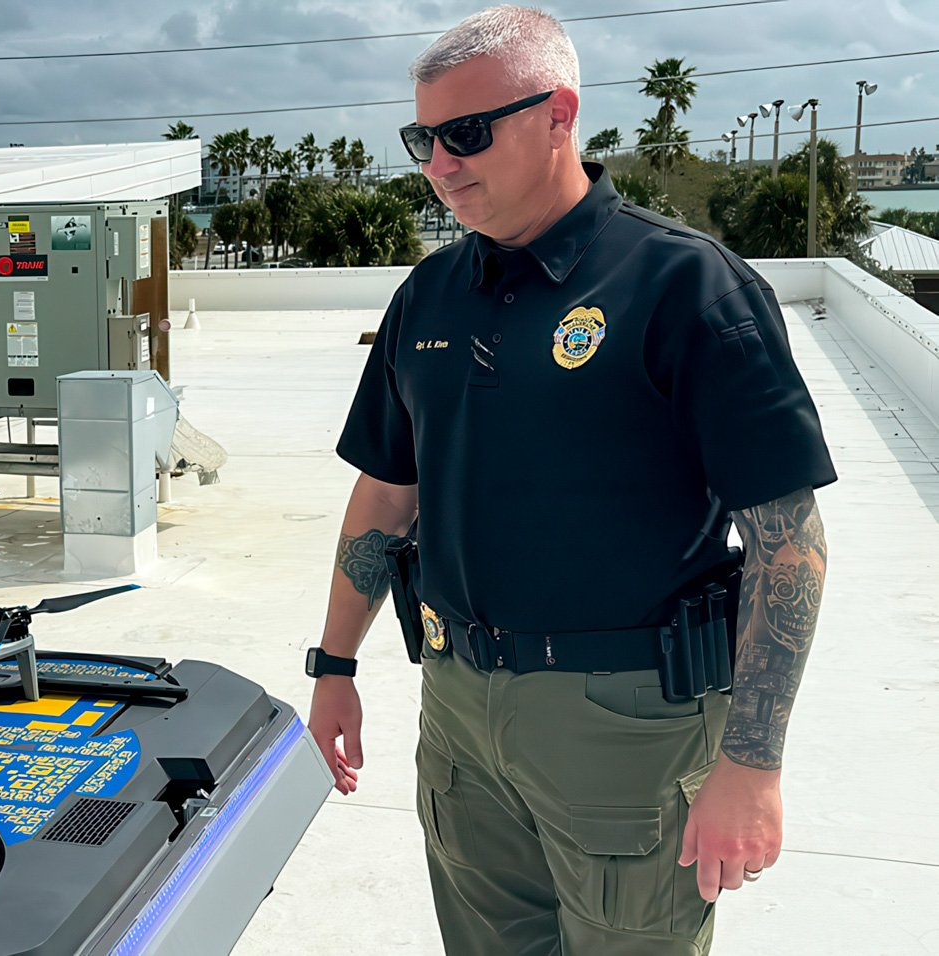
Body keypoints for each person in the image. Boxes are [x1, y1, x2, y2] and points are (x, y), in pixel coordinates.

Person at [303, 6, 836, 954]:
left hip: (626, 721)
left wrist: (751, 763)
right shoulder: (426, 296)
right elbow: (387, 496)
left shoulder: (686, 287)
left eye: (467, 133)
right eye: (421, 138)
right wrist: (335, 665)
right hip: (460, 707)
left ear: (559, 115)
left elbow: (787, 543)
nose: (439, 163)